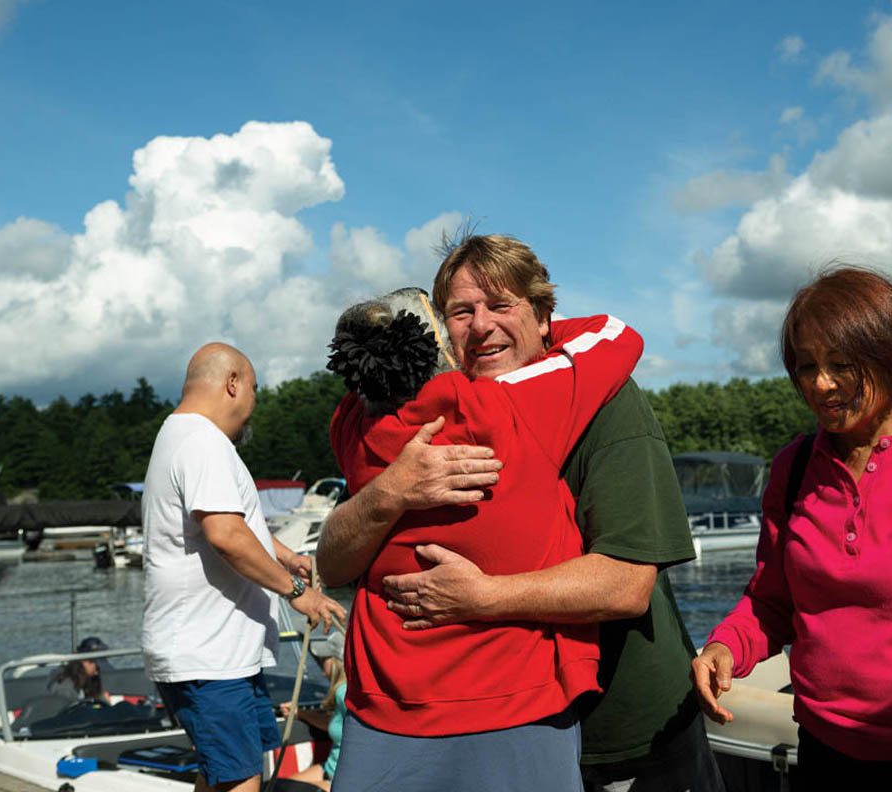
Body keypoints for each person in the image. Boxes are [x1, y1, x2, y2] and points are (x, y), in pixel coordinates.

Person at [317, 233, 723, 792]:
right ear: (439, 329)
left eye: (501, 305)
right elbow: (334, 565)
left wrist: (479, 597)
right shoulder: (415, 429)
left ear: (542, 315)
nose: (481, 325)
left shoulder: (607, 402)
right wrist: (389, 493)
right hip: (495, 721)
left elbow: (626, 584)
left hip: (627, 729)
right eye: (462, 311)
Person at [692, 267, 892, 786]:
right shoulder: (794, 467)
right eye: (807, 366)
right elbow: (771, 600)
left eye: (842, 365)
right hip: (824, 753)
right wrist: (725, 647)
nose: (820, 384)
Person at [140, 342, 348, 792]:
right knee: (240, 782)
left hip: (220, 655)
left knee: (223, 774)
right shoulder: (201, 441)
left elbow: (233, 522)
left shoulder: (184, 436)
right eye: (254, 389)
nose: (253, 404)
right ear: (232, 384)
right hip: (208, 656)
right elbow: (225, 536)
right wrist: (298, 592)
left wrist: (286, 555)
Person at [277, 630, 348, 791]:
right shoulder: (345, 693)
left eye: (324, 660)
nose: (322, 670)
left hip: (346, 780)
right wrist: (301, 714)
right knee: (278, 786)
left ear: (335, 662)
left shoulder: (344, 693)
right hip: (330, 769)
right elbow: (338, 723)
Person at [49, 635, 113, 704]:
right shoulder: (64, 686)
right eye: (97, 668)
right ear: (84, 661)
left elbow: (103, 701)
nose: (97, 673)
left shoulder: (92, 680)